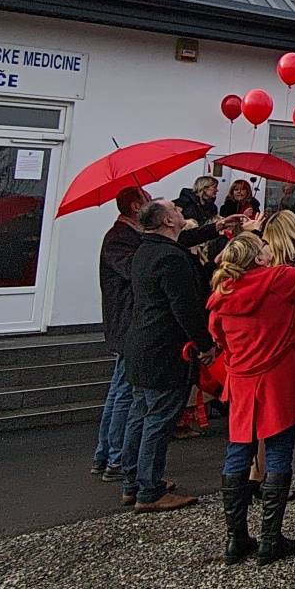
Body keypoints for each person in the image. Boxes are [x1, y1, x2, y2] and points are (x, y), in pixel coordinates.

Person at [206, 215, 295, 565]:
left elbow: (218, 337)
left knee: (238, 451)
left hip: (241, 379)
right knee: (277, 452)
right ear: (258, 257)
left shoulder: (222, 292)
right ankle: (271, 538)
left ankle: (235, 538)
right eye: (262, 246)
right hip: (279, 378)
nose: (268, 247)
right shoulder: (277, 279)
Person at [122, 198, 219, 512]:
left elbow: (185, 240)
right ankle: (149, 491)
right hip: (163, 349)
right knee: (158, 420)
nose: (181, 213)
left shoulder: (145, 250)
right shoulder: (170, 259)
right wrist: (205, 345)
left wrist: (217, 227)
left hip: (139, 345)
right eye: (176, 211)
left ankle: (134, 482)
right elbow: (185, 307)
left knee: (140, 416)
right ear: (166, 221)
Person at [92, 186, 149, 479]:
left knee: (119, 389)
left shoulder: (130, 238)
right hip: (126, 323)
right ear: (136, 206)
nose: (152, 202)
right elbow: (134, 270)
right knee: (125, 391)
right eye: (147, 198)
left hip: (127, 322)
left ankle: (105, 454)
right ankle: (115, 458)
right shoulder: (118, 239)